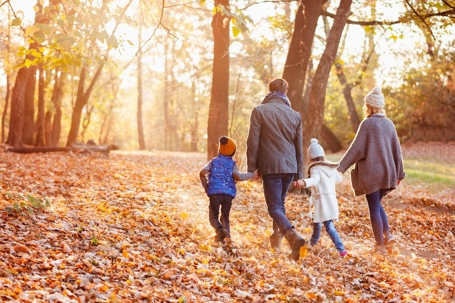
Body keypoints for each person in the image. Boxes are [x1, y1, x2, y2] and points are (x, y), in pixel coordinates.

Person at [337, 86, 405, 255]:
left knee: (374, 207)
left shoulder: (367, 124)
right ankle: (388, 236)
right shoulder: (389, 124)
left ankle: (380, 246)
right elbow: (397, 151)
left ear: (369, 106)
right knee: (377, 204)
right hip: (388, 173)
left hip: (372, 174)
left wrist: (341, 167)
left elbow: (356, 149)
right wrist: (400, 173)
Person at [246, 78, 306, 261]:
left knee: (274, 207)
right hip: (289, 167)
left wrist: (252, 167)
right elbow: (299, 147)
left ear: (269, 91)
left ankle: (292, 236)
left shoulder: (259, 111)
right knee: (279, 205)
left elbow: (253, 141)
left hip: (270, 166)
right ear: (285, 93)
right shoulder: (295, 115)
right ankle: (277, 241)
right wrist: (299, 174)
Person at [296, 138, 348, 258]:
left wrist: (303, 182)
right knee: (317, 222)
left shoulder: (315, 168)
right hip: (329, 200)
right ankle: (313, 242)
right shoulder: (330, 167)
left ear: (311, 157)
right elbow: (339, 179)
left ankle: (342, 250)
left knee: (329, 226)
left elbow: (314, 180)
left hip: (322, 201)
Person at [199, 136, 257, 244]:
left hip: (214, 194)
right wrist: (252, 174)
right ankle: (227, 239)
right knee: (225, 217)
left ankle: (221, 231)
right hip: (228, 195)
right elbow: (237, 177)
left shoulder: (213, 162)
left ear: (220, 149)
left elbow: (202, 172)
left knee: (213, 218)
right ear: (233, 152)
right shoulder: (233, 164)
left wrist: (207, 186)